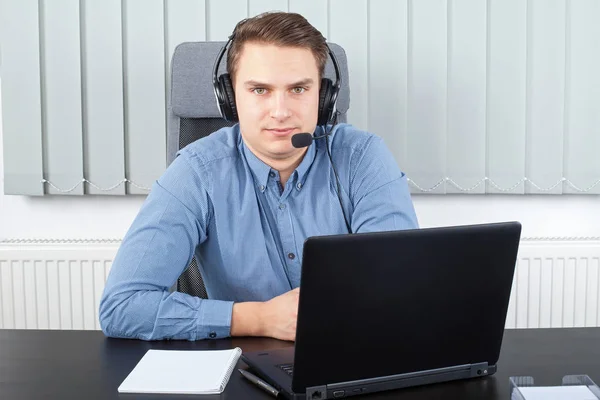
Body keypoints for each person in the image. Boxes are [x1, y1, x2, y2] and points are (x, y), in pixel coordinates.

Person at [99, 11, 418, 342]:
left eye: (298, 89)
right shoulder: (197, 172)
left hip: (351, 354)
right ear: (230, 98)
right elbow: (122, 307)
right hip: (244, 368)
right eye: (260, 90)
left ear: (324, 98)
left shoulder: (361, 158)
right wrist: (257, 318)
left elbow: (400, 289)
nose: (280, 111)